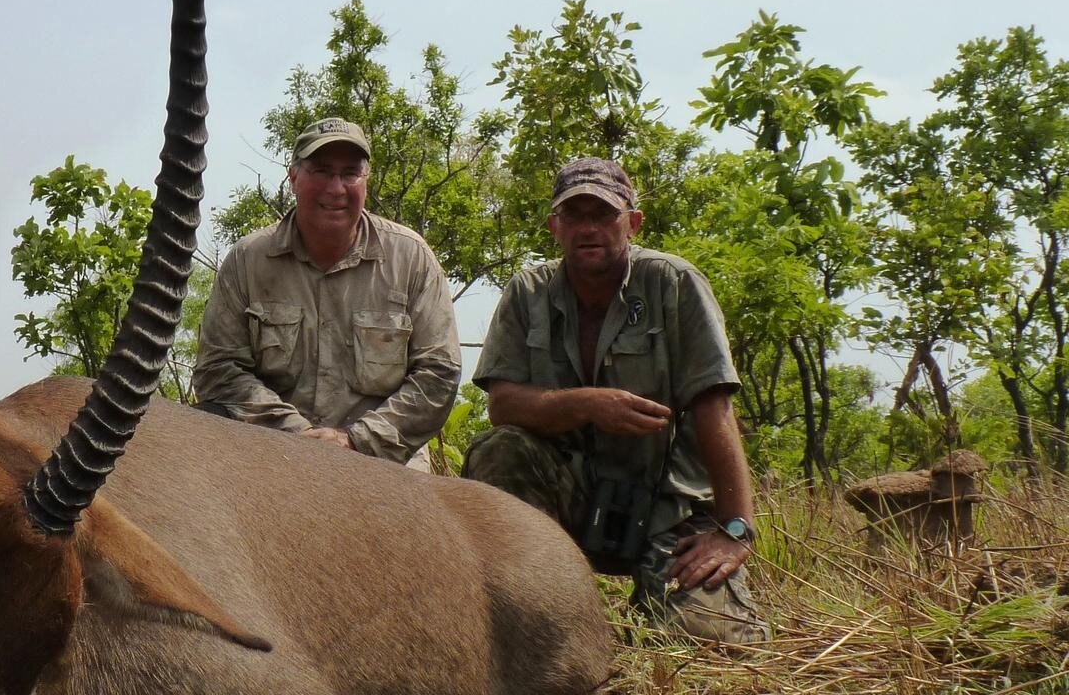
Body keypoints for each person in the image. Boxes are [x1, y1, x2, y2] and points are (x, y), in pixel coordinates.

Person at [463, 157, 770, 644]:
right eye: (575, 215)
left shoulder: (675, 283)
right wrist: (587, 403)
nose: (589, 228)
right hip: (573, 501)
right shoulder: (527, 291)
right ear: (554, 227)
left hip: (670, 510)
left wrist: (734, 531)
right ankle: (530, 615)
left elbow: (716, 408)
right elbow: (503, 406)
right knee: (499, 448)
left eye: (604, 215)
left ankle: (675, 601)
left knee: (708, 641)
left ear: (632, 222)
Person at [192, 117, 461, 464]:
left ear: (366, 180)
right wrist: (297, 435)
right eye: (321, 171)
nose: (336, 188)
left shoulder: (411, 257)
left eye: (350, 173)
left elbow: (439, 374)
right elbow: (218, 369)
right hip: (270, 447)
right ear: (293, 178)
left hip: (384, 455)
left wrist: (353, 441)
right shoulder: (248, 259)